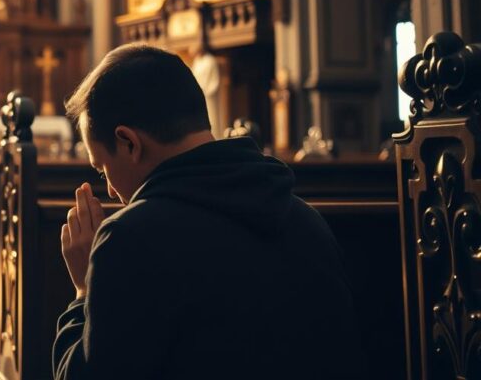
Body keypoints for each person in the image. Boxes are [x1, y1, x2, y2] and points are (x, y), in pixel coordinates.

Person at [54, 44, 365, 379]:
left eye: (102, 169)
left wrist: (84, 292)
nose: (111, 191)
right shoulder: (306, 220)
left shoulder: (128, 238)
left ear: (129, 142)